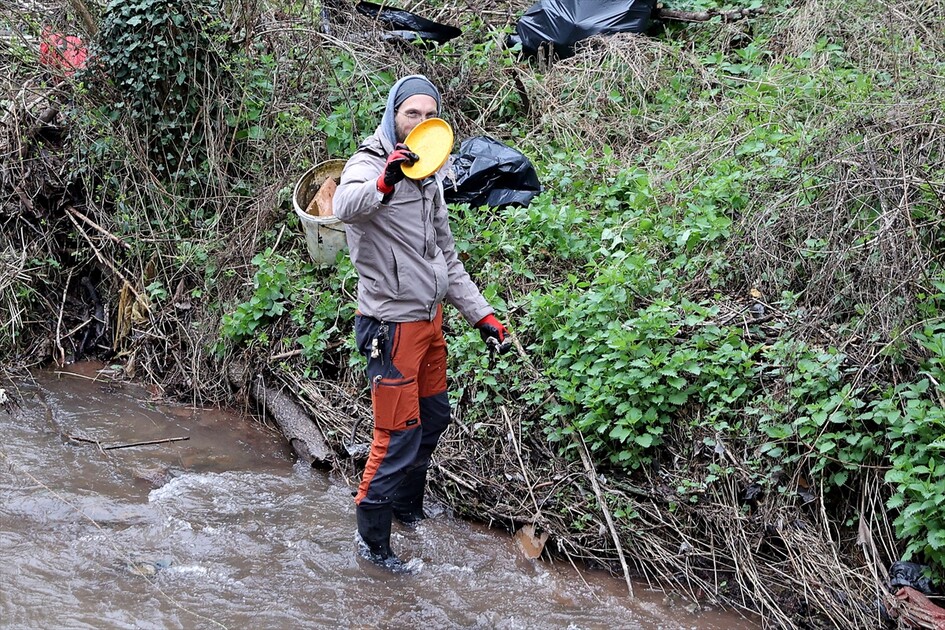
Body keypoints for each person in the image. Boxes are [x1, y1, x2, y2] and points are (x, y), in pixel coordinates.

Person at [333, 75, 509, 570]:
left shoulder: (429, 173)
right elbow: (345, 207)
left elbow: (446, 257)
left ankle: (408, 509)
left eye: (428, 113)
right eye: (412, 112)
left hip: (429, 323)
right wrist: (386, 181)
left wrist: (483, 315)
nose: (419, 121)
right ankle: (372, 545)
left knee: (432, 418)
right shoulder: (369, 164)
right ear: (394, 116)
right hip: (389, 328)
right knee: (396, 434)